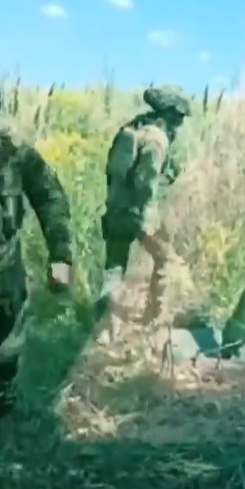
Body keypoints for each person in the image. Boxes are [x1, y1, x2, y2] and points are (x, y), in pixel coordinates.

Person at [0, 72, 74, 423]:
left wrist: (61, 255)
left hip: (2, 267)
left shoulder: (12, 150)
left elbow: (50, 197)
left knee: (5, 353)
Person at [96, 85, 192, 342]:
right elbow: (146, 183)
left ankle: (107, 330)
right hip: (138, 214)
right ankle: (156, 321)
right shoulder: (157, 139)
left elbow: (114, 172)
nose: (180, 124)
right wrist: (149, 220)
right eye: (179, 118)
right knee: (166, 260)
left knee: (114, 268)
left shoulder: (131, 129)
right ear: (171, 114)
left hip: (115, 210)